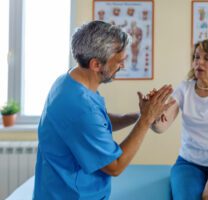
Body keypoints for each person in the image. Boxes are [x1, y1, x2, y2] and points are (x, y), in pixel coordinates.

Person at [33, 21, 175, 200]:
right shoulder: (81, 108)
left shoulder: (68, 81)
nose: (122, 66)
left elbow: (96, 122)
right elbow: (115, 166)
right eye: (119, 61)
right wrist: (146, 120)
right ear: (96, 64)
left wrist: (138, 116)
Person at [151, 39, 208, 200]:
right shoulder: (184, 89)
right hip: (189, 162)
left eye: (206, 58)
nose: (199, 62)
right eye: (196, 57)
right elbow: (161, 127)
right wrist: (152, 117)